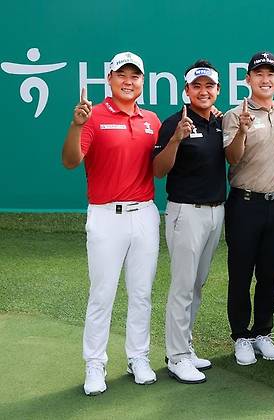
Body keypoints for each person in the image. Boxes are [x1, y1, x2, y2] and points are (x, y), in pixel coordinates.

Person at [61, 52, 161, 395]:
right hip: (106, 216)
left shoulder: (152, 120)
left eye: (135, 76)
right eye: (122, 75)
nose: (128, 81)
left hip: (145, 214)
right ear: (110, 79)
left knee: (142, 293)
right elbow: (70, 161)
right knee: (102, 294)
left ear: (142, 82)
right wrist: (76, 125)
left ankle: (139, 357)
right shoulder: (94, 116)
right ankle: (95, 363)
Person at [222, 51, 274, 365]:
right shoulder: (234, 115)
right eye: (259, 74)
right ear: (248, 79)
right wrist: (243, 130)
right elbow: (231, 157)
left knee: (270, 272)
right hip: (244, 204)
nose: (265, 79)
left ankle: (262, 332)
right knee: (241, 273)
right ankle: (241, 336)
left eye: (271, 74)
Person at [152, 60, 226, 383]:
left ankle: (186, 346)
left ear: (217, 90)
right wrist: (176, 140)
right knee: (183, 286)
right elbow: (158, 170)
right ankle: (176, 356)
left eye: (209, 85)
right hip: (185, 212)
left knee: (197, 284)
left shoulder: (220, 122)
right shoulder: (174, 123)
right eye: (197, 86)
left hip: (214, 212)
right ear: (186, 90)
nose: (203, 91)